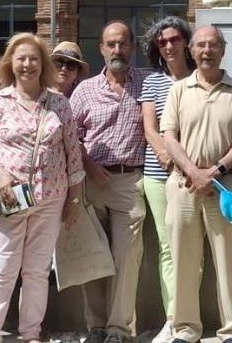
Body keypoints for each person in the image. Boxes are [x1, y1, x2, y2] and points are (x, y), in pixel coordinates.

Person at [0, 33, 85, 343]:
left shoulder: (59, 103)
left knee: (37, 270)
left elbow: (72, 155)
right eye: (22, 58)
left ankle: (30, 333)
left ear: (43, 64)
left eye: (34, 59)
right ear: (12, 63)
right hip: (11, 195)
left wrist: (74, 200)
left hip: (51, 197)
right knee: (4, 265)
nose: (28, 65)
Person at [161, 25, 232, 343]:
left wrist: (214, 170)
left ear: (223, 49)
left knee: (228, 260)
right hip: (184, 185)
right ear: (191, 50)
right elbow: (168, 136)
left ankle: (231, 331)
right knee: (184, 259)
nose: (207, 51)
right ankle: (186, 329)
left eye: (213, 45)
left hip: (224, 186)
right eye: (200, 45)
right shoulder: (178, 90)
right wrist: (193, 171)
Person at [70, 21, 148, 343]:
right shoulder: (84, 90)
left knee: (127, 256)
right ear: (101, 48)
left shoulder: (147, 84)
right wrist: (87, 164)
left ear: (132, 46)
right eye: (111, 44)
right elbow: (67, 137)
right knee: (92, 255)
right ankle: (97, 327)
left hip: (130, 182)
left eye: (123, 43)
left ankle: (118, 329)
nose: (117, 50)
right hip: (92, 182)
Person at [138, 16, 196, 343]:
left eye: (174, 39)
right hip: (159, 176)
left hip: (193, 176)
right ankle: (173, 318)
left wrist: (189, 165)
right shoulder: (152, 82)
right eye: (162, 42)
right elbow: (149, 127)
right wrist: (167, 157)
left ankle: (189, 318)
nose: (169, 46)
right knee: (167, 247)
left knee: (190, 248)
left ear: (185, 42)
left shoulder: (200, 78)